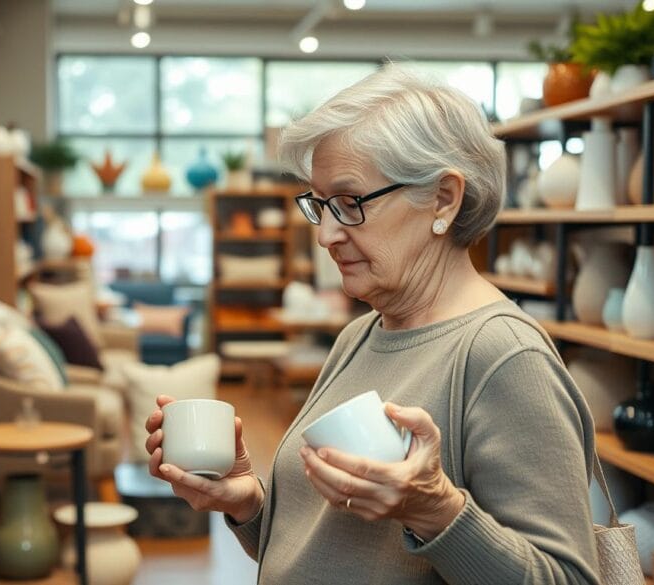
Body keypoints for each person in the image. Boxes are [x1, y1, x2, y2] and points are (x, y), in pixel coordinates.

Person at [143, 65, 600, 584]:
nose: (326, 235)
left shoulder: (504, 356)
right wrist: (249, 502)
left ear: (443, 199)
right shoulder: (360, 335)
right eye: (320, 205)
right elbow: (331, 551)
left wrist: (436, 511)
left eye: (350, 202)